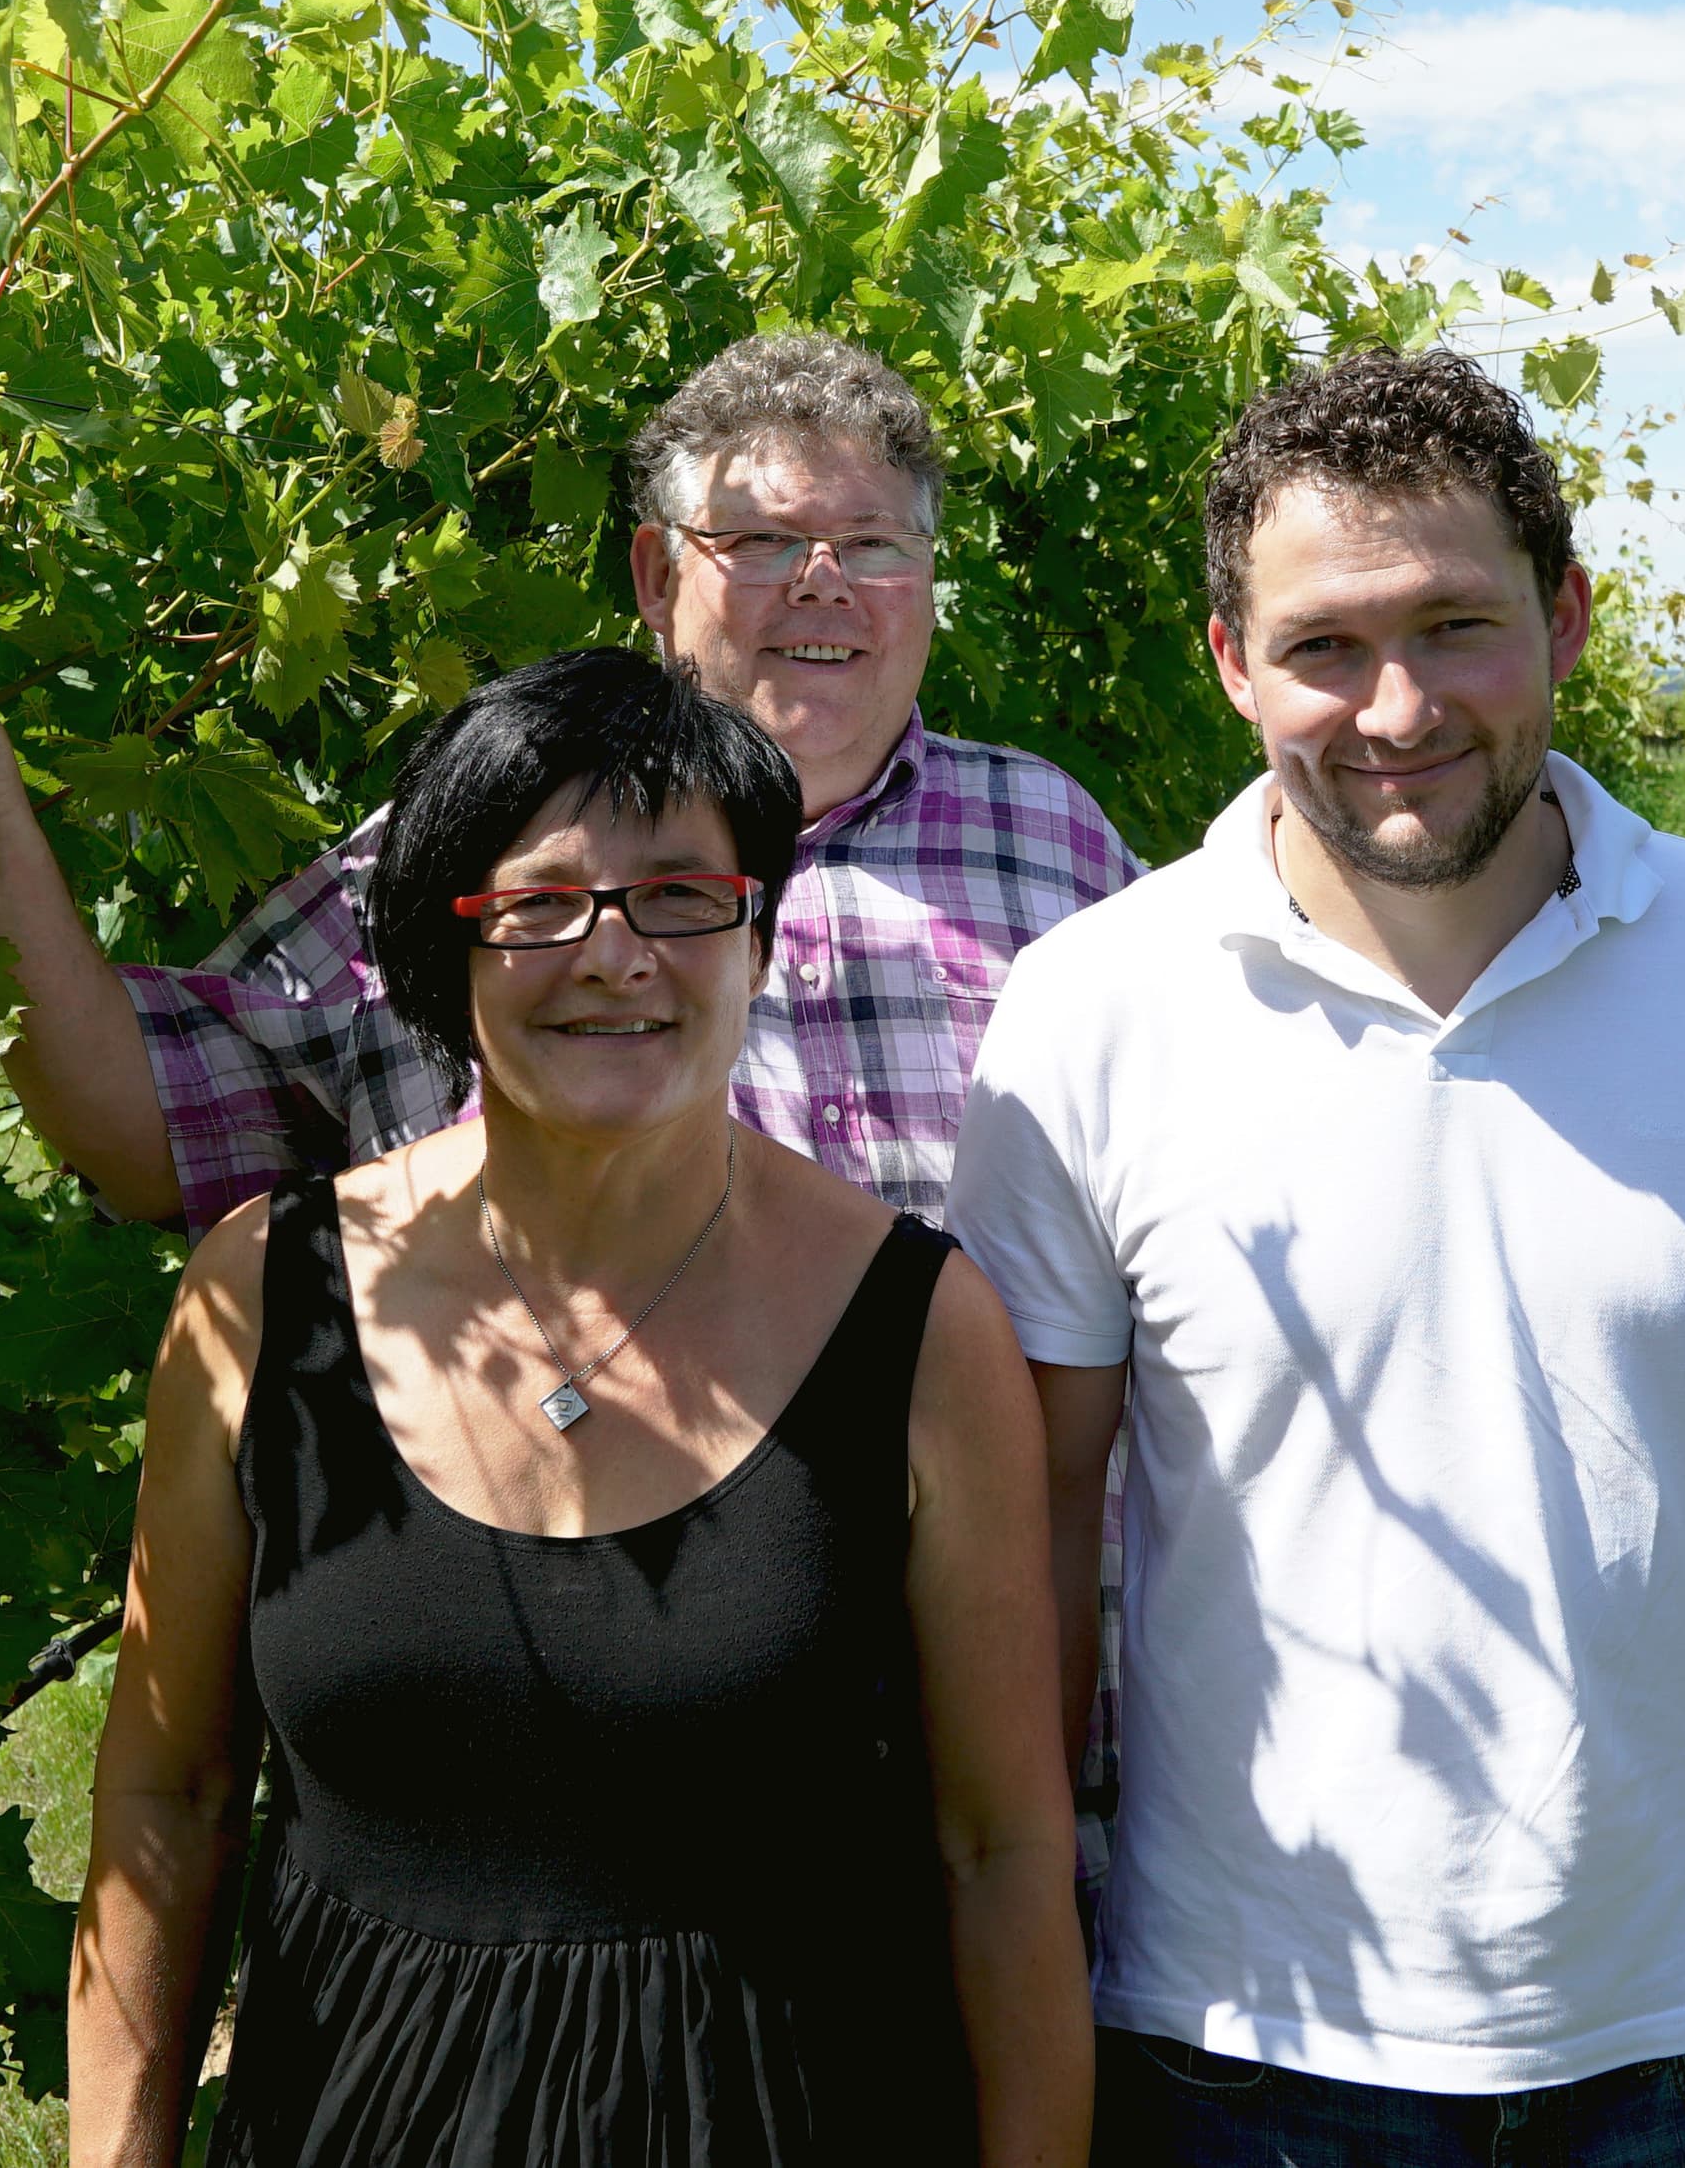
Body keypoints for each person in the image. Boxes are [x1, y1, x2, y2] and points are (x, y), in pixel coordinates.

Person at [950, 349, 1685, 2167]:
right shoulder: (1094, 1007)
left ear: (1568, 620)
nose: (1398, 704)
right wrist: (1019, 1979)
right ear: (1229, 664)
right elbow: (1033, 1518)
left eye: (1458, 625)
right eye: (1325, 647)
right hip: (1241, 2047)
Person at [69, 647, 1089, 2168]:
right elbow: (171, 1792)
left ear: (757, 936)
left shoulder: (923, 1330)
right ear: (442, 948)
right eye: (541, 903)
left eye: (683, 894)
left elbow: (998, 1850)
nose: (617, 956)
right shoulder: (258, 1295)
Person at [0, 331, 1141, 1232]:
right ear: (659, 578)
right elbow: (154, 1127)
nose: (825, 581)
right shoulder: (487, 839)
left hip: (1014, 1609)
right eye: (765, 539)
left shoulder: (1055, 843)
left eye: (872, 543)